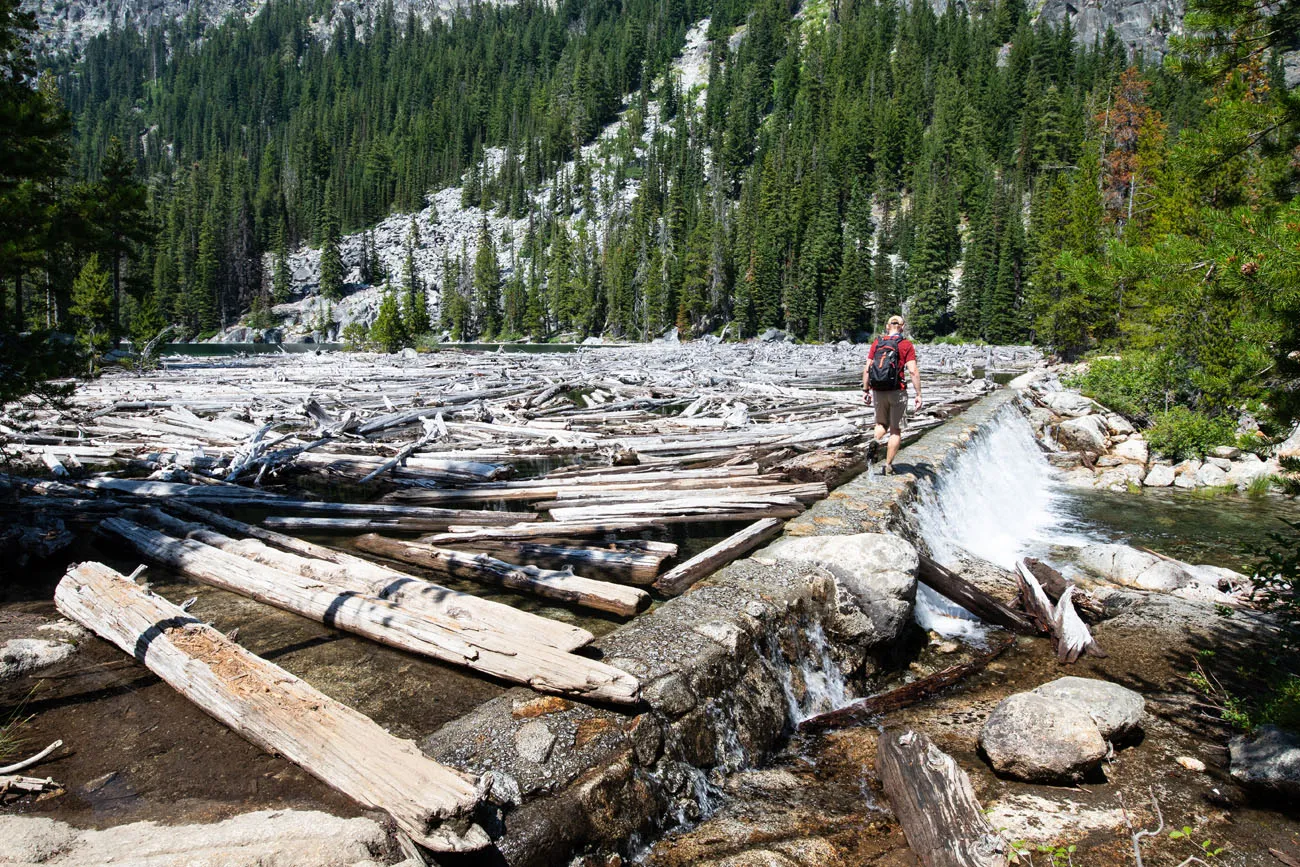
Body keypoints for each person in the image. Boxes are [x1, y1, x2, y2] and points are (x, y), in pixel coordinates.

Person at [863, 315, 922, 474]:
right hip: (897, 390)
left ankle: (875, 440)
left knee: (881, 424)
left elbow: (867, 368)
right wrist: (919, 394)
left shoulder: (877, 343)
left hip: (878, 391)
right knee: (895, 430)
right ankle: (888, 465)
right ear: (902, 327)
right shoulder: (905, 344)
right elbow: (913, 371)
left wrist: (865, 390)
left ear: (888, 326)